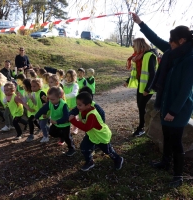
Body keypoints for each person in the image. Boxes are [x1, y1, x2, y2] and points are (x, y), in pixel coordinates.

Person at [132, 13, 193, 188]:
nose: (168, 43)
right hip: (166, 101)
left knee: (176, 140)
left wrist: (173, 112)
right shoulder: (172, 52)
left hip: (179, 108)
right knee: (166, 135)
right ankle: (165, 162)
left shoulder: (189, 59)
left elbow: (185, 90)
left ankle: (178, 175)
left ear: (181, 41)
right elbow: (155, 39)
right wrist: (140, 23)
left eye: (171, 40)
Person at [69, 92, 123, 171]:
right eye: (77, 104)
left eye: (80, 105)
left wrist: (73, 121)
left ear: (88, 105)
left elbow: (86, 127)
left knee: (108, 151)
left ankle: (118, 159)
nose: (77, 107)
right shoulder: (83, 110)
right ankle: (89, 162)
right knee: (84, 147)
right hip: (92, 135)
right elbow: (85, 123)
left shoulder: (92, 114)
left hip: (101, 136)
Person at [124, 38, 158, 137]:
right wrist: (127, 81)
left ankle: (141, 128)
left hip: (147, 88)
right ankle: (142, 127)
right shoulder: (140, 57)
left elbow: (153, 74)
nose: (133, 47)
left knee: (143, 108)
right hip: (141, 87)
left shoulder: (150, 56)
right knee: (141, 107)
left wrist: (147, 89)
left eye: (134, 45)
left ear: (140, 45)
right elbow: (136, 72)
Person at [35, 87, 76, 156]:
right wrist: (36, 116)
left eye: (52, 99)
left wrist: (57, 121)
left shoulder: (63, 105)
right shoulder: (50, 102)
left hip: (64, 125)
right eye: (49, 99)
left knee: (67, 138)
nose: (50, 101)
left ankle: (72, 149)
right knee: (52, 132)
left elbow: (66, 117)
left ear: (59, 97)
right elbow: (43, 109)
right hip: (56, 123)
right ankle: (63, 136)